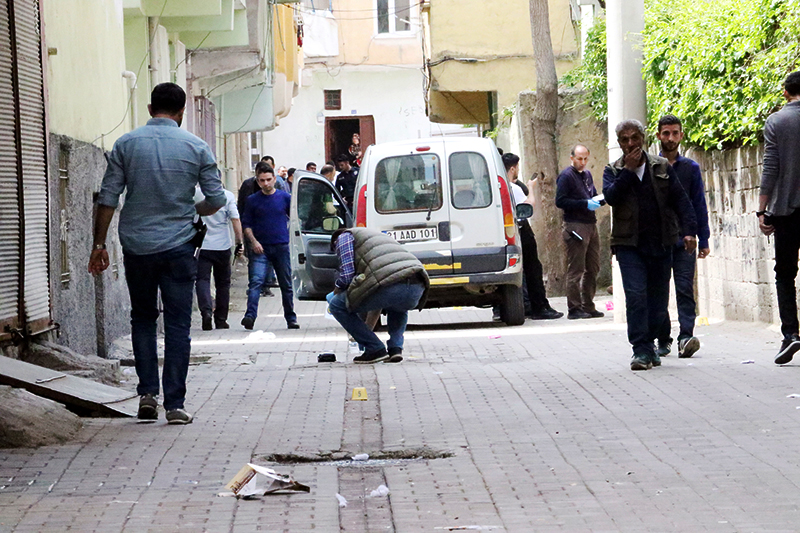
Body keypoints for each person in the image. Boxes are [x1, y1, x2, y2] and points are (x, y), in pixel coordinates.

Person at [88, 82, 226, 424]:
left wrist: (98, 245)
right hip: (180, 247)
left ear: (150, 109)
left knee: (143, 317)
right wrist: (194, 209)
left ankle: (147, 394)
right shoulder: (196, 147)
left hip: (137, 246)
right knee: (179, 324)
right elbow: (217, 199)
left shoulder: (126, 144)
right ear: (181, 114)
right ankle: (175, 405)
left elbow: (108, 198)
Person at [603, 119, 697, 371]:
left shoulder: (661, 166)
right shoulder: (613, 170)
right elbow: (611, 198)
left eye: (634, 138)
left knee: (657, 301)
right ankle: (641, 350)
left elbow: (681, 200)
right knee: (636, 296)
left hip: (660, 242)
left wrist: (689, 233)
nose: (630, 143)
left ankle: (655, 343)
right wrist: (627, 172)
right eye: (625, 139)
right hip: (628, 245)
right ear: (619, 143)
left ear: (643, 138)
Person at [328, 228, 429, 363]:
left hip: (391, 286)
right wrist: (367, 329)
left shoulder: (343, 238)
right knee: (397, 304)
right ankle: (395, 348)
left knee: (336, 305)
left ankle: (375, 349)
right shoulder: (376, 237)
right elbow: (377, 297)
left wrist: (337, 289)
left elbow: (347, 276)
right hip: (418, 285)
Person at [654, 115, 711, 358]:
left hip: (685, 239)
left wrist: (704, 239)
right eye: (666, 133)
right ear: (658, 136)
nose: (670, 138)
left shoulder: (690, 168)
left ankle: (686, 336)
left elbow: (699, 204)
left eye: (675, 133)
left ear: (681, 136)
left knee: (685, 288)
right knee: (658, 291)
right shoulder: (650, 166)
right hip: (657, 239)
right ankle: (663, 337)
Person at [758, 70, 800, 365]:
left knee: (785, 274)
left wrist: (761, 209)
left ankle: (791, 335)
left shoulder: (777, 122)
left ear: (786, 93)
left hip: (786, 212)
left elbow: (770, 167)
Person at [503, 153, 563, 320]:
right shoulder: (513, 188)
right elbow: (529, 205)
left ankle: (532, 305)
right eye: (517, 168)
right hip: (522, 230)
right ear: (513, 168)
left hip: (511, 233)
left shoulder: (500, 186)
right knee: (533, 269)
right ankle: (539, 307)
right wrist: (531, 188)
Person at [240, 165, 299, 330]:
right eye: (262, 180)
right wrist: (253, 242)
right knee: (256, 282)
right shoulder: (252, 200)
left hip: (281, 246)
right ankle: (250, 316)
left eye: (268, 179)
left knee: (286, 284)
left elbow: (294, 219)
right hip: (261, 248)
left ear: (274, 179)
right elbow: (247, 225)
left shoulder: (284, 198)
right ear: (258, 182)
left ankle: (291, 318)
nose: (266, 183)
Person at [556, 145, 604, 320]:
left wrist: (599, 200)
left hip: (590, 224)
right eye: (579, 158)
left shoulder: (587, 175)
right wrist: (584, 203)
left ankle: (588, 305)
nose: (582, 162)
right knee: (576, 269)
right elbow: (560, 201)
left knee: (593, 267)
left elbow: (592, 194)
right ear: (572, 158)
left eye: (585, 159)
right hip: (575, 225)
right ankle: (574, 308)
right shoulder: (566, 176)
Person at [194, 186, 243, 331]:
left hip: (202, 245)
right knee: (223, 284)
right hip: (222, 246)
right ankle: (221, 319)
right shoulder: (227, 195)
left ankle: (206, 312)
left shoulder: (196, 194)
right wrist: (239, 242)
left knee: (202, 280)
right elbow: (235, 220)